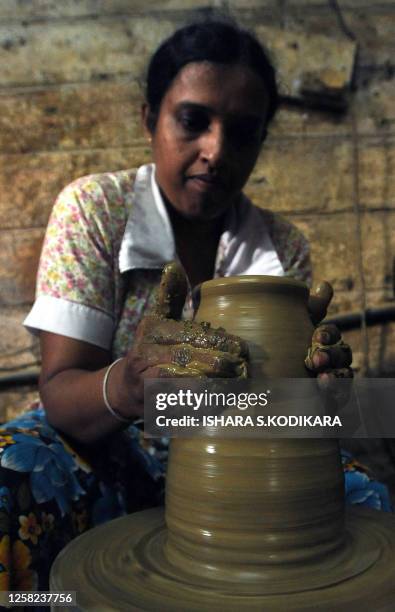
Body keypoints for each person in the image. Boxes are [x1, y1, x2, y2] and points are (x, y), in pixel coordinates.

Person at [0, 19, 390, 593]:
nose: (215, 150)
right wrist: (134, 385)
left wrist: (323, 396)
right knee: (9, 473)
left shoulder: (283, 249)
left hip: (241, 457)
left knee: (368, 501)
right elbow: (59, 393)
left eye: (242, 132)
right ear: (148, 118)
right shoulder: (95, 210)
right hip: (109, 447)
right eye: (192, 121)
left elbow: (283, 415)